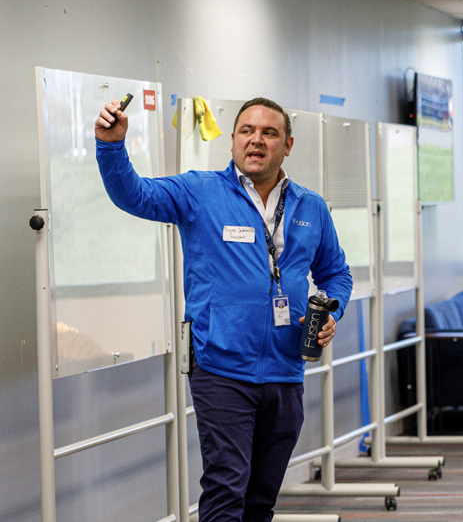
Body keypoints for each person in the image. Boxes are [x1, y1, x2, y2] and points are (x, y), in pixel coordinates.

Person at [95, 97, 352, 522]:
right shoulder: (200, 192)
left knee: (262, 495)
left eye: (269, 133)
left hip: (287, 369)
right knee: (226, 486)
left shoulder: (311, 207)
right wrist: (111, 146)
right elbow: (133, 195)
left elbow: (336, 275)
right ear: (232, 140)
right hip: (221, 368)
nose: (256, 140)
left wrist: (330, 314)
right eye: (247, 131)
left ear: (287, 145)